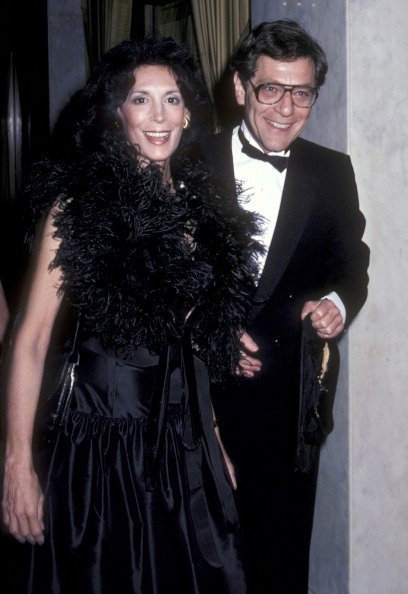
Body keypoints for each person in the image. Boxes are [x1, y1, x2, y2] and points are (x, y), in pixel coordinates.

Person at [1, 36, 261, 594]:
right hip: (105, 451)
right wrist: (16, 461)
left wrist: (211, 436)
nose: (159, 116)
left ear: (189, 111)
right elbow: (31, 338)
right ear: (117, 112)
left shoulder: (202, 207)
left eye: (171, 99)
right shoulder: (77, 206)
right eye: (140, 100)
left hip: (184, 444)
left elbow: (191, 343)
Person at [206, 20, 370, 594]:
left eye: (301, 92)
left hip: (290, 408)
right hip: (196, 403)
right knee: (202, 563)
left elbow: (353, 265)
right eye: (270, 88)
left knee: (280, 565)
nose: (285, 107)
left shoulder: (331, 171)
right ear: (240, 88)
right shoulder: (186, 164)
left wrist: (335, 303)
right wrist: (209, 333)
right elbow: (160, 281)